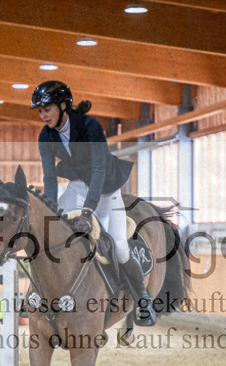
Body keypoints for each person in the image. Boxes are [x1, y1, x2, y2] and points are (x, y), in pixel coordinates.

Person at [31, 80, 155, 326]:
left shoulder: (90, 127)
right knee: (50, 236)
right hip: (76, 188)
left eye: (47, 109)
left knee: (118, 245)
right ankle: (39, 294)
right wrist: (49, 210)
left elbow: (99, 171)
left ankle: (143, 300)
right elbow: (49, 177)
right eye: (40, 111)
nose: (43, 115)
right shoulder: (46, 136)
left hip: (106, 190)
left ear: (63, 106)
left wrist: (87, 213)